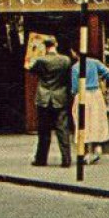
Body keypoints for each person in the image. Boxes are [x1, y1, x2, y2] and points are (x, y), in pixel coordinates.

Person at [28, 36, 71, 168]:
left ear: (45, 46)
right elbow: (68, 77)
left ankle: (41, 159)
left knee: (44, 131)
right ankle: (66, 159)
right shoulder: (65, 60)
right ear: (56, 44)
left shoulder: (41, 60)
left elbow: (31, 70)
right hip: (60, 97)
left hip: (44, 98)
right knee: (62, 129)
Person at [71, 52, 109, 164]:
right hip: (96, 94)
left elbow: (75, 87)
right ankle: (97, 147)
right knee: (96, 121)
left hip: (83, 95)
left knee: (82, 123)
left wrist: (73, 93)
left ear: (75, 53)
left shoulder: (76, 67)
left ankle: (84, 153)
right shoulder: (95, 62)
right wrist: (100, 78)